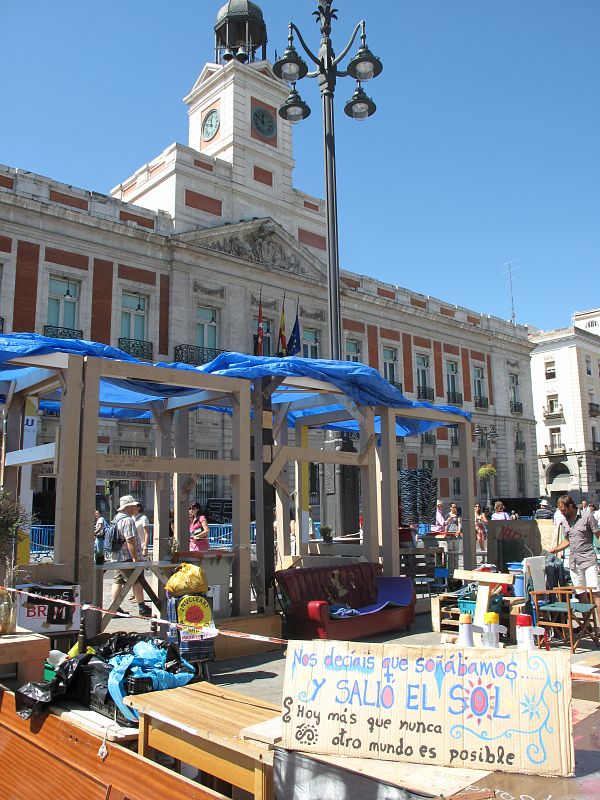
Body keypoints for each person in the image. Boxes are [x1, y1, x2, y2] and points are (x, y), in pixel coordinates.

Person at [547, 494, 600, 622]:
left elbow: (598, 535)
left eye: (563, 510)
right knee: (581, 593)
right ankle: (587, 625)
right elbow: (567, 540)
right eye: (560, 511)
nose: (562, 513)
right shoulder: (565, 520)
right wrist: (555, 549)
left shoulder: (587, 517)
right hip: (574, 562)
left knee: (595, 592)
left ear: (571, 506)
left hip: (588, 560)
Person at [110, 495, 152, 617]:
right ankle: (142, 608)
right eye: (133, 505)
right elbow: (130, 540)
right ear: (128, 506)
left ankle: (114, 608)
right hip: (127, 557)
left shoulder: (116, 518)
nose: (135, 506)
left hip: (117, 556)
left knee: (117, 581)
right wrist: (135, 559)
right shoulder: (127, 520)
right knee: (136, 581)